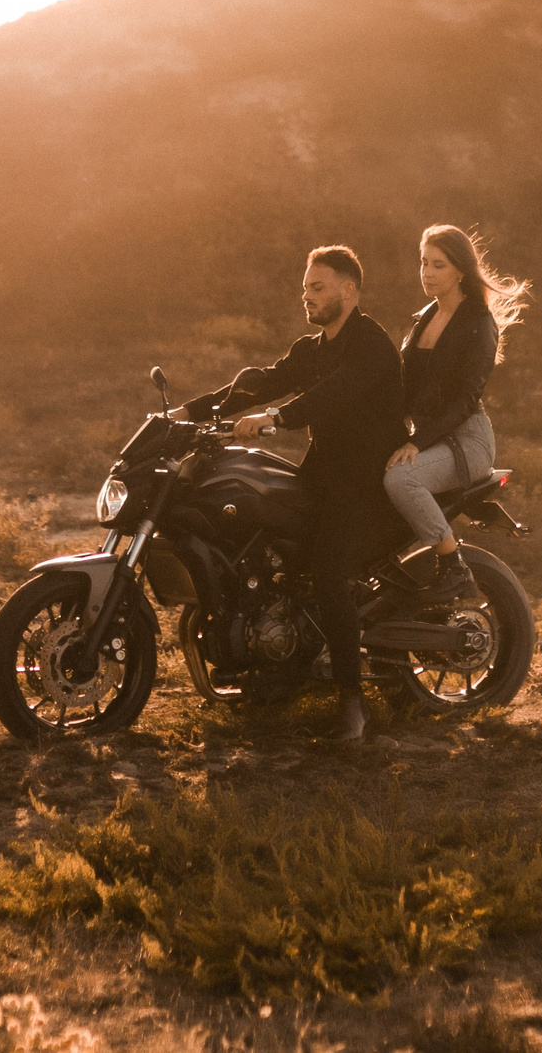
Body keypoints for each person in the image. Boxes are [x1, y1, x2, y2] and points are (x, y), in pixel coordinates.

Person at [183, 244, 405, 741]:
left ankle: (353, 704)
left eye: (317, 287)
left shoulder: (371, 344)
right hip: (322, 476)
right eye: (305, 287)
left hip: (367, 484)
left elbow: (335, 393)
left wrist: (277, 418)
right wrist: (184, 415)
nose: (306, 296)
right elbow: (267, 380)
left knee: (328, 574)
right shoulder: (315, 348)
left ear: (349, 290)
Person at [384, 225, 529, 605]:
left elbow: (466, 399)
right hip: (430, 435)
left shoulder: (478, 323)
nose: (427, 273)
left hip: (467, 441)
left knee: (401, 480)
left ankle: (454, 567)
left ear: (460, 270)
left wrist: (417, 440)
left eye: (439, 265)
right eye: (423, 263)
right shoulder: (424, 317)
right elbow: (403, 387)